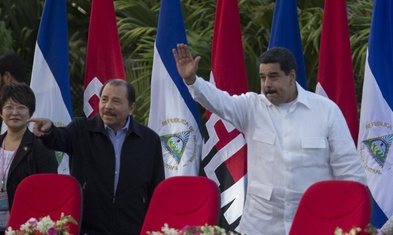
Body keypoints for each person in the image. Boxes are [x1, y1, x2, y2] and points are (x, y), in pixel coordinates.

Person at [172, 44, 367, 235]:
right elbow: (219, 101)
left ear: (291, 77)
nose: (266, 85)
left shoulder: (326, 111)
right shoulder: (251, 107)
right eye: (263, 77)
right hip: (260, 224)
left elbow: (348, 168)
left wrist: (354, 217)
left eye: (273, 77)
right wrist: (192, 80)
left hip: (315, 220)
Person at [29, 79, 165, 235]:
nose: (108, 106)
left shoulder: (149, 140)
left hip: (132, 226)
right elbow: (60, 138)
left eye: (116, 101)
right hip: (88, 225)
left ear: (131, 108)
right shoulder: (81, 129)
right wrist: (49, 130)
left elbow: (157, 187)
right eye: (104, 99)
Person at [0, 83, 58, 233]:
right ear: (1, 112)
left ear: (30, 113)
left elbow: (49, 191)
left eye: (21, 107)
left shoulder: (41, 147)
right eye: (9, 107)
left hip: (26, 226)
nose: (15, 112)